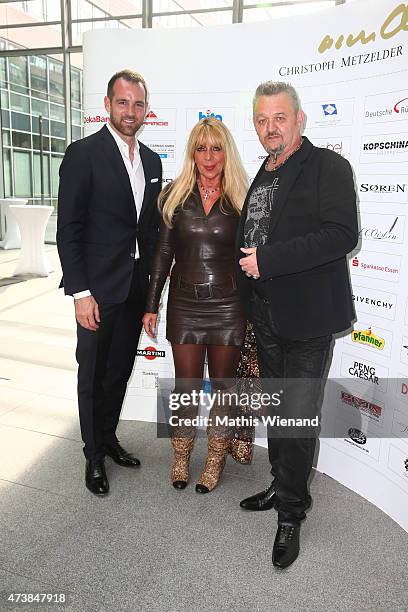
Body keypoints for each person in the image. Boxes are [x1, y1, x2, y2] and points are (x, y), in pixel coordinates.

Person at [237, 81, 358, 568]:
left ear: (300, 119)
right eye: (262, 120)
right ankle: (280, 483)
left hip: (308, 318)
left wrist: (267, 260)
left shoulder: (328, 166)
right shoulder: (262, 174)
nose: (271, 127)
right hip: (265, 315)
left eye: (279, 118)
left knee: (296, 414)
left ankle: (292, 512)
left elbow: (340, 235)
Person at [57, 69, 162, 496]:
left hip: (135, 287)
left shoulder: (152, 161)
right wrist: (81, 293)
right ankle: (93, 455)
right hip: (96, 291)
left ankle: (108, 437)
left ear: (146, 110)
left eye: (138, 104)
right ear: (107, 105)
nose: (130, 111)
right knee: (93, 374)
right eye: (123, 103)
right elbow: (69, 230)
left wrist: (152, 293)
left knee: (119, 371)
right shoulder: (83, 154)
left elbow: (151, 230)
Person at [143, 117, 248, 493]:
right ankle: (181, 458)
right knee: (186, 387)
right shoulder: (175, 194)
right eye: (201, 148)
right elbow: (164, 252)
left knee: (223, 388)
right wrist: (152, 304)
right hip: (185, 304)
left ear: (226, 153)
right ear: (192, 152)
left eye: (216, 148)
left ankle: (215, 461)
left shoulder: (241, 196)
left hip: (228, 306)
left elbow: (253, 257)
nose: (209, 156)